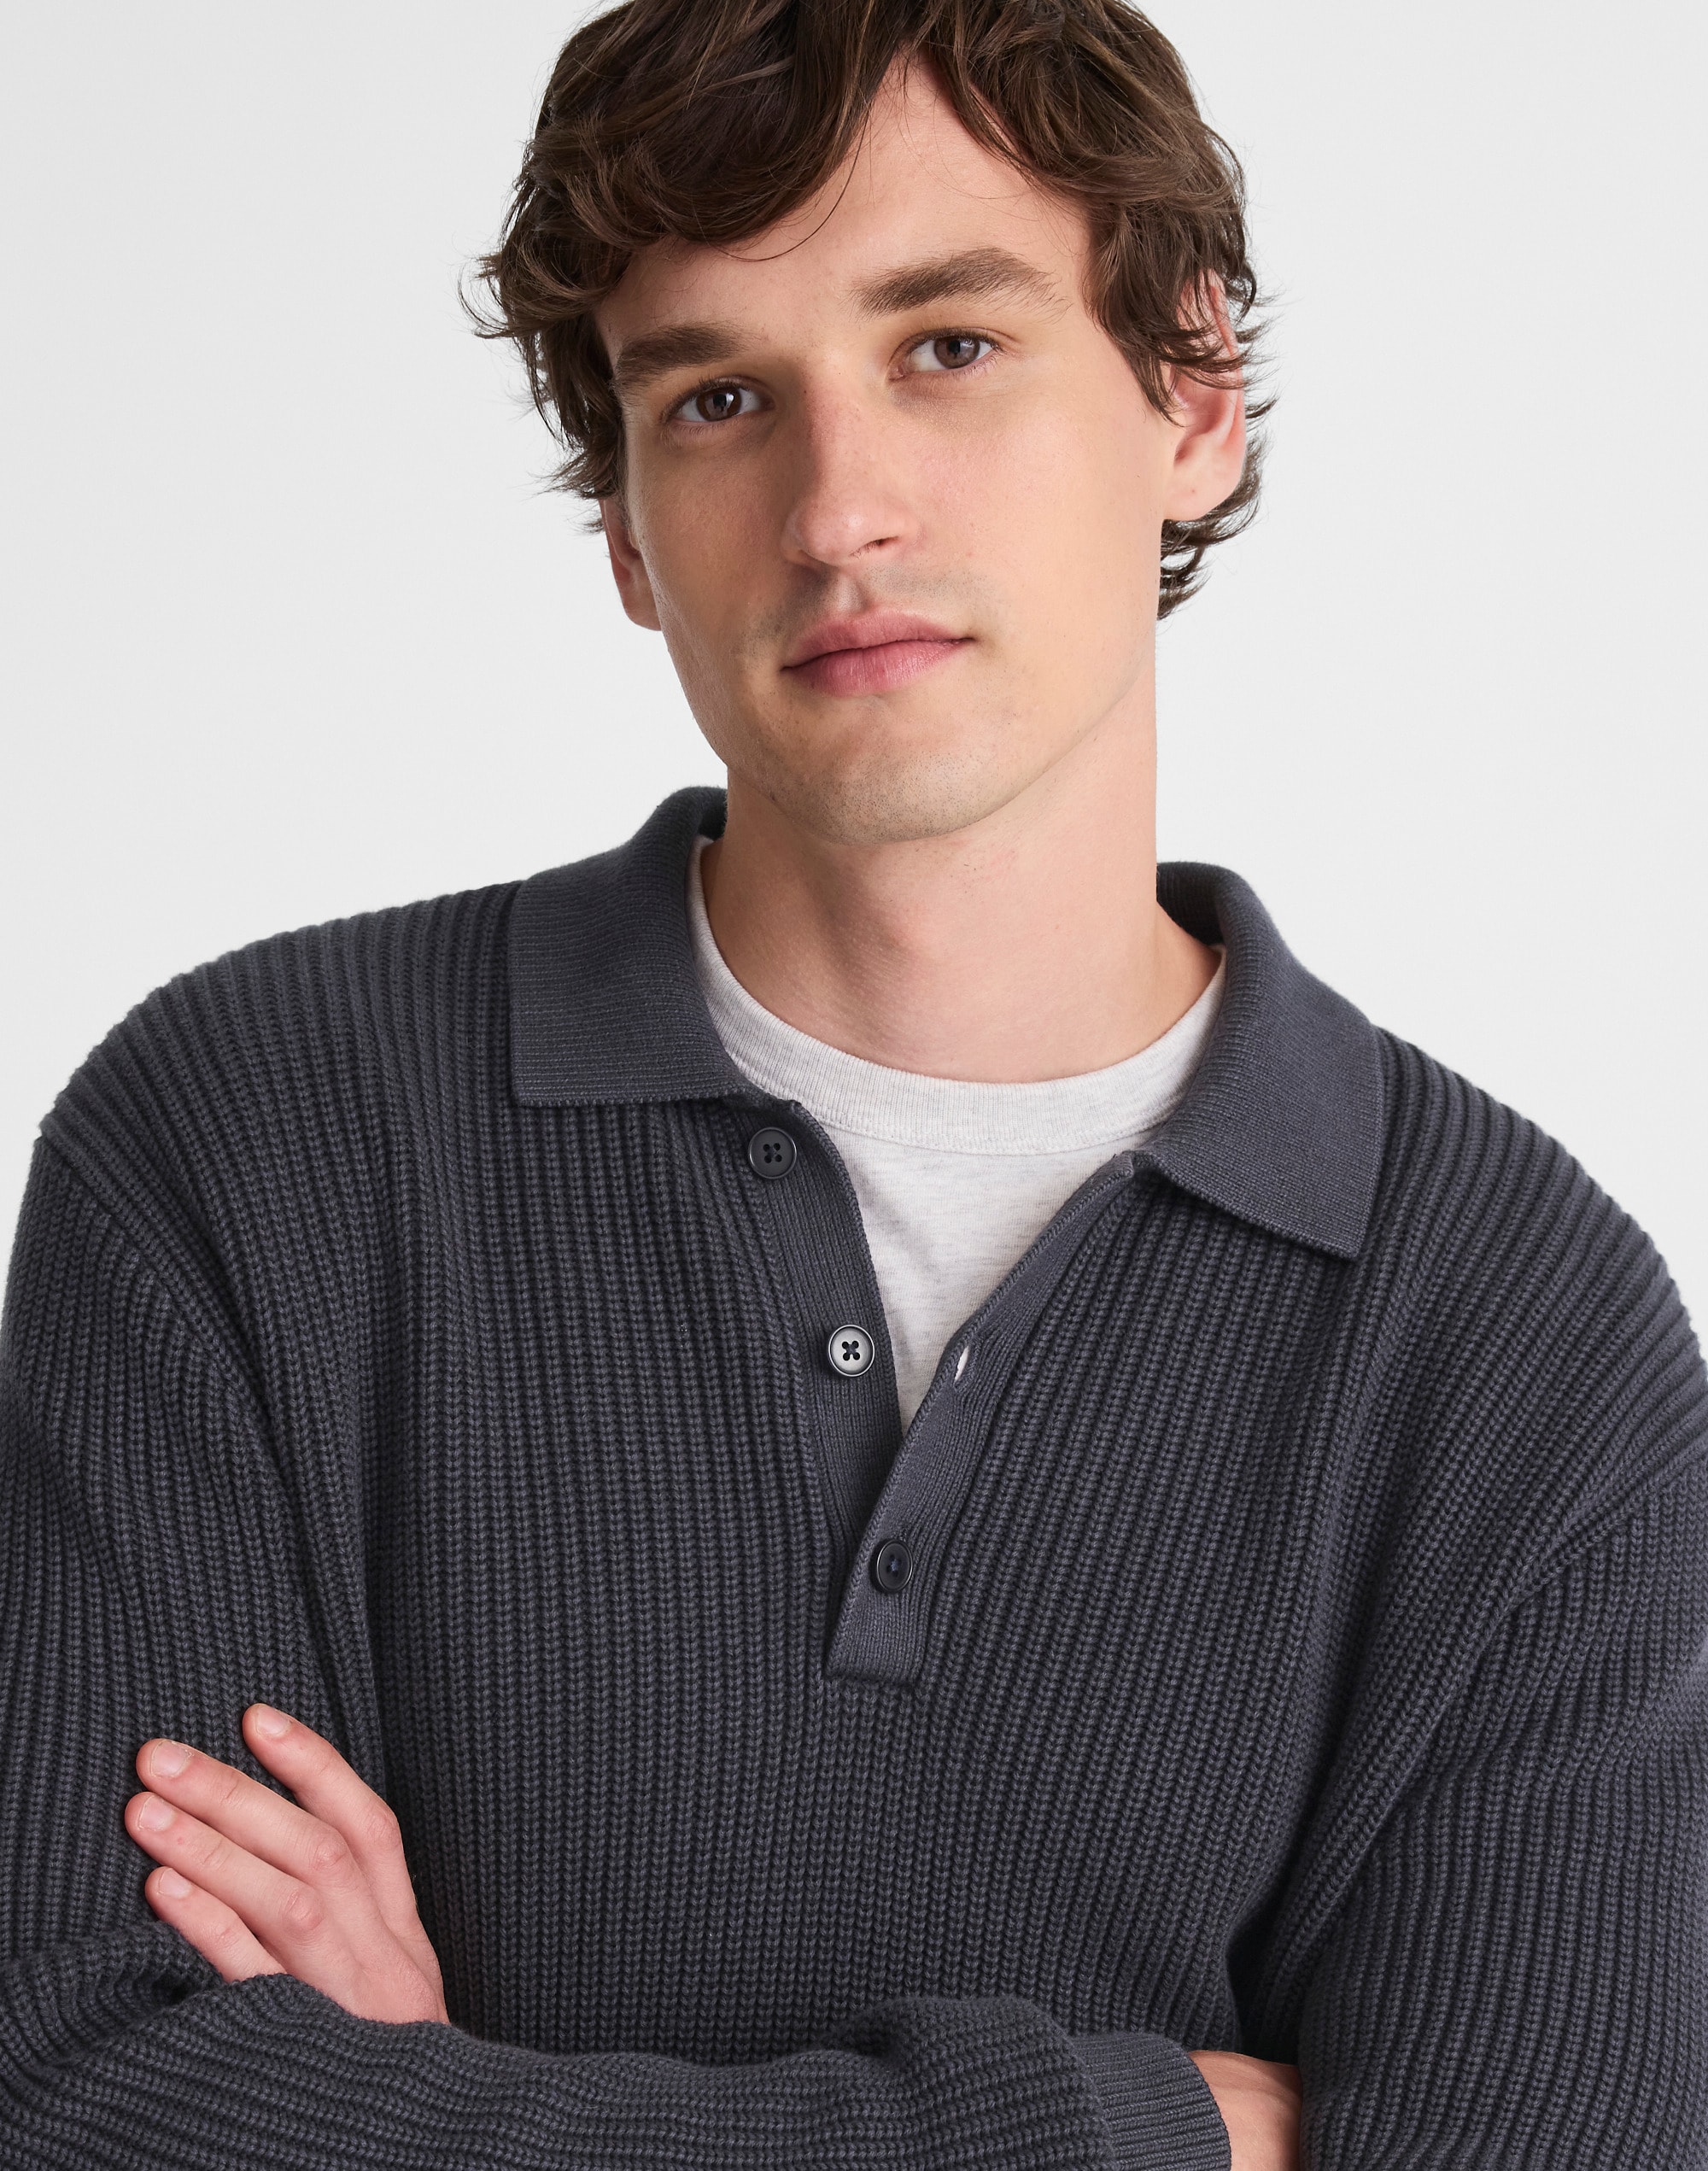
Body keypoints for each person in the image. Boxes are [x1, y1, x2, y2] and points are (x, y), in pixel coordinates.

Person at [2, 2, 1704, 2166]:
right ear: (627, 529)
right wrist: (1145, 2132)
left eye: (949, 345)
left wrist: (421, 2105)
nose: (839, 509)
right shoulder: (245, 1145)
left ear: (1192, 395)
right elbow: (75, 2094)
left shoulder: (1524, 1342)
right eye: (716, 397)